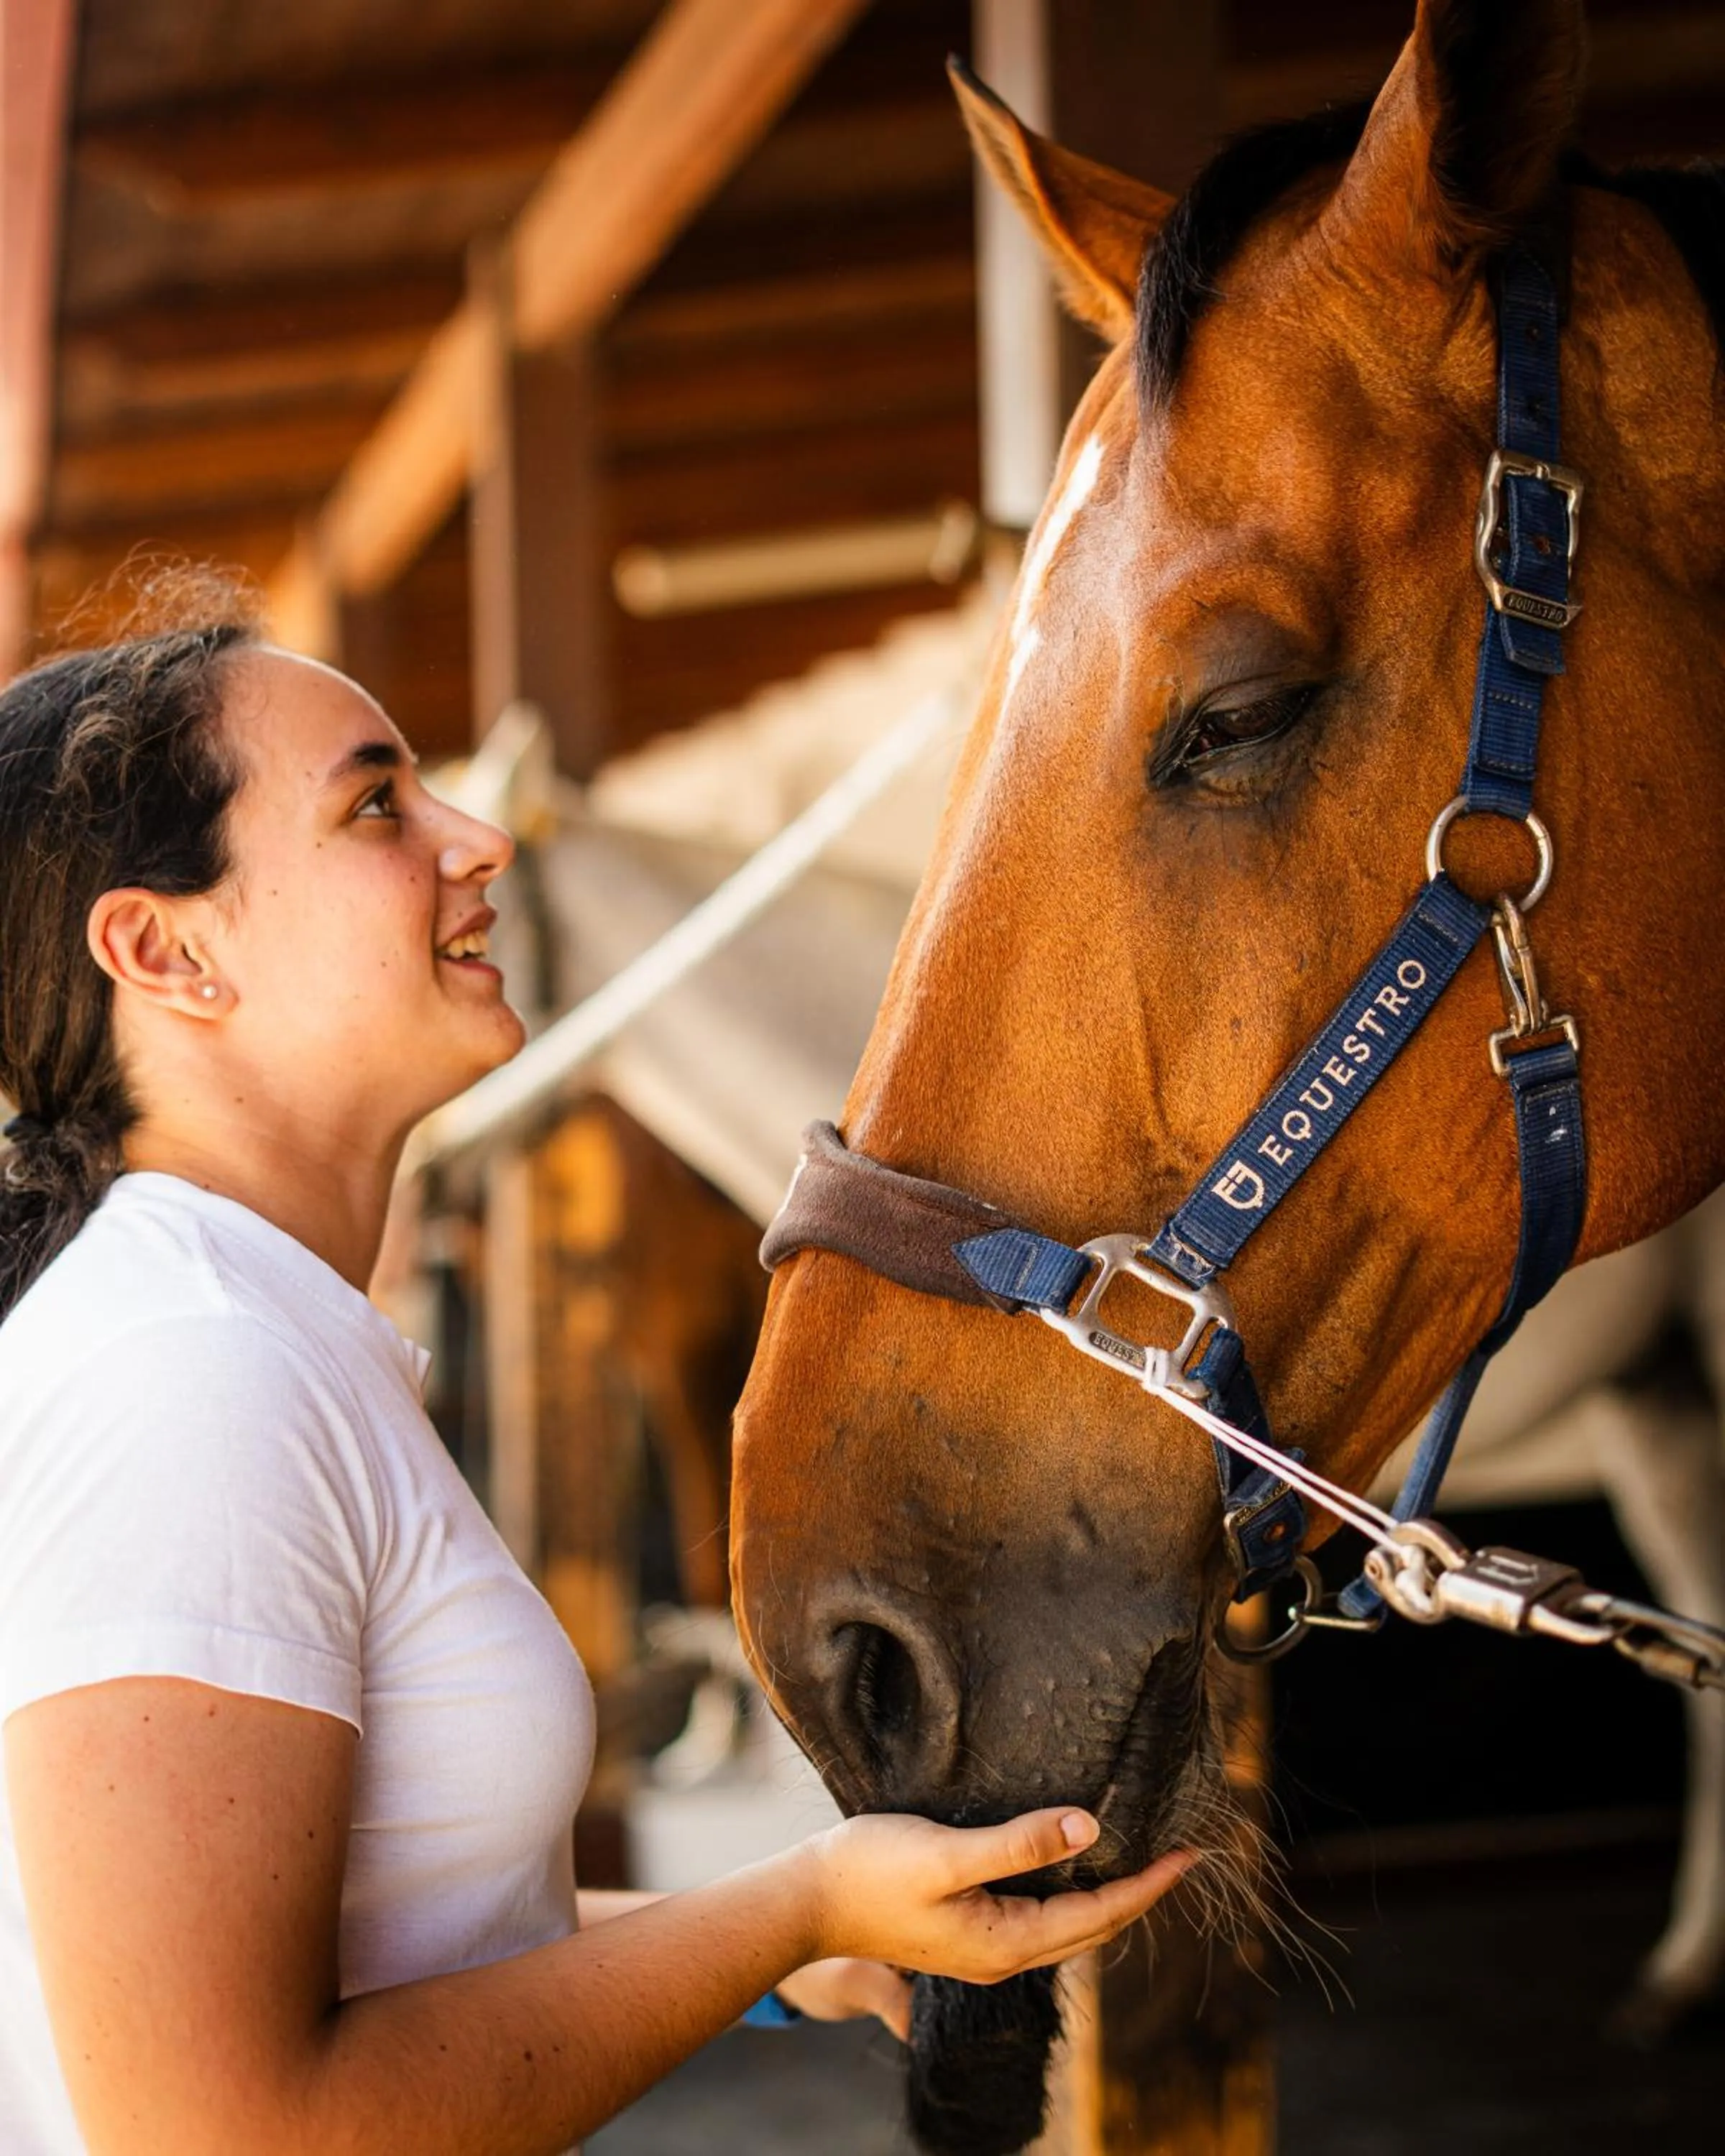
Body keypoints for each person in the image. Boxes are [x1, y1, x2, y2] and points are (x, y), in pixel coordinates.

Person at [0, 593, 1190, 2156]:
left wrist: (784, 1951)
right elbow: (223, 2129)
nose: (478, 836)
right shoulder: (191, 1373)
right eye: (376, 806)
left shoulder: (244, 1330)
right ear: (166, 950)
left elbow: (389, 1936)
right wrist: (792, 1900)